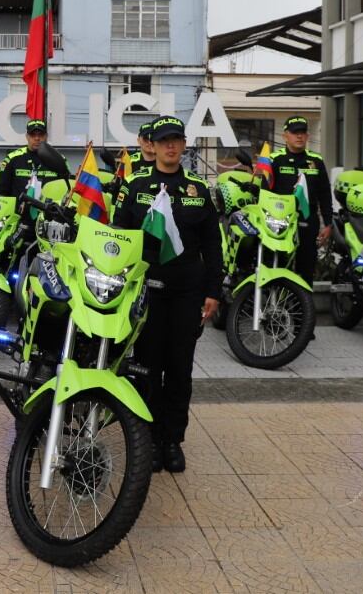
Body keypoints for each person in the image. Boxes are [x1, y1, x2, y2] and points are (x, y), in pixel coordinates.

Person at [113, 115, 222, 474]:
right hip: (146, 292)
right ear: (153, 146)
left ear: (184, 144)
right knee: (146, 368)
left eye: (176, 140)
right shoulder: (134, 186)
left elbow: (212, 244)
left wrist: (213, 290)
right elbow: (119, 238)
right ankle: (147, 439)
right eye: (164, 141)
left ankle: (171, 441)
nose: (170, 146)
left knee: (179, 371)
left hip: (186, 293)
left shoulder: (198, 189)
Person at [267, 116, 334, 284]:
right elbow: (265, 192)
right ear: (285, 136)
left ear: (308, 136)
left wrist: (327, 223)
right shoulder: (275, 159)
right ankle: (275, 303)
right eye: (295, 132)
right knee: (278, 264)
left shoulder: (316, 161)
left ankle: (305, 306)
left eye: (302, 132)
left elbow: (325, 194)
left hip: (307, 218)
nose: (299, 136)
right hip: (279, 219)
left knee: (306, 265)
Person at [0, 119, 72, 197]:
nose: (37, 138)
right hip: (18, 208)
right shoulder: (12, 158)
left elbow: (68, 189)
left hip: (47, 208)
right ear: (27, 136)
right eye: (33, 135)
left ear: (46, 136)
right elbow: (1, 192)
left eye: (40, 135)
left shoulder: (59, 159)